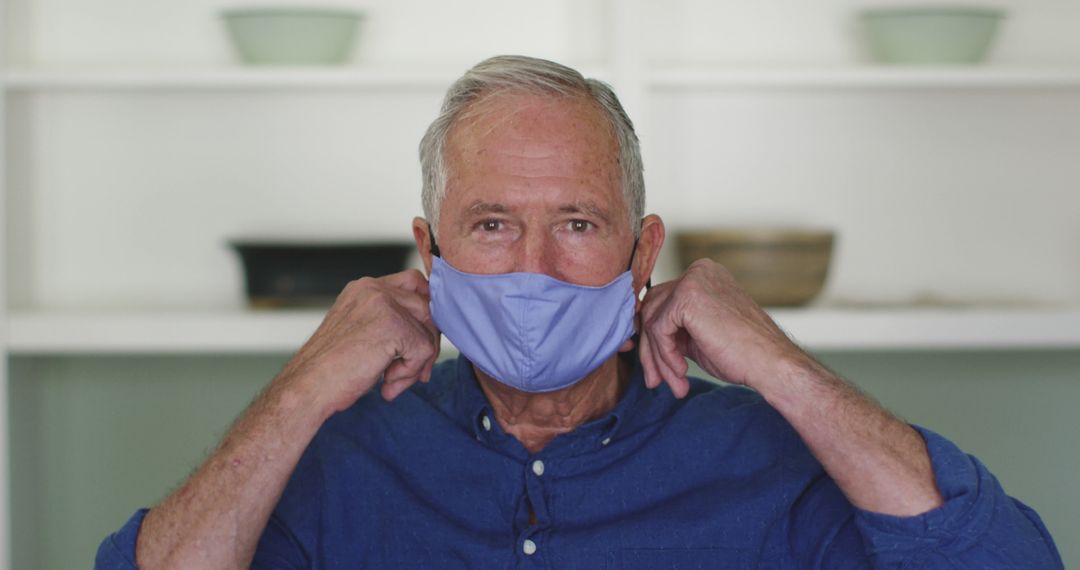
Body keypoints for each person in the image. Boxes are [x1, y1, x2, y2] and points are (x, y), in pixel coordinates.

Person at [96, 55, 1062, 569]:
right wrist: (305, 385)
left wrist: (778, 364)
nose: (536, 269)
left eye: (576, 222)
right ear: (428, 255)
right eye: (489, 225)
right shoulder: (344, 457)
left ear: (644, 252)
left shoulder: (762, 457)